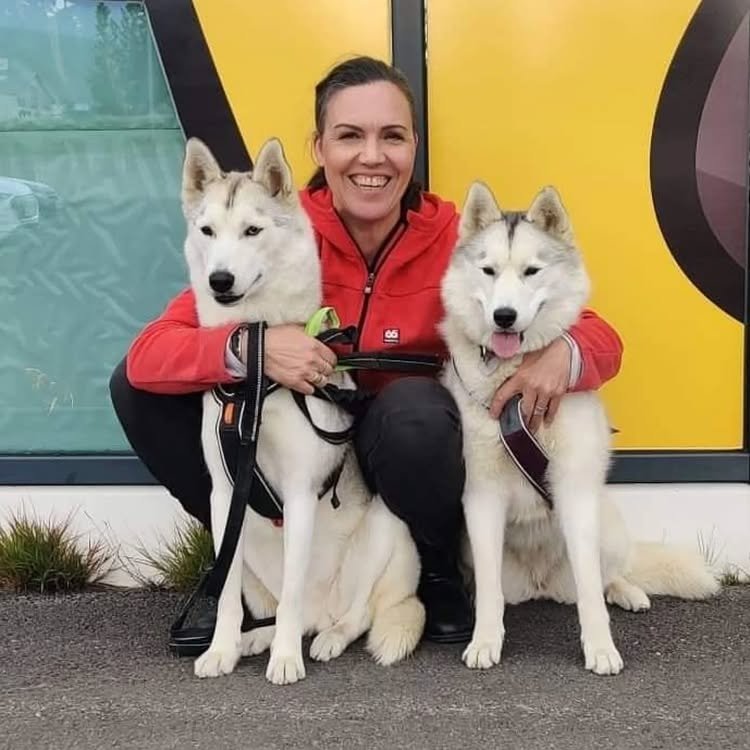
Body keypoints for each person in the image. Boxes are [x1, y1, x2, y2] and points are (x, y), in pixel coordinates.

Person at [109, 56, 623, 645]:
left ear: (414, 147)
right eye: (350, 136)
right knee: (139, 394)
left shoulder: (455, 238)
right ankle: (241, 561)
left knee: (415, 412)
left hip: (403, 448)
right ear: (319, 147)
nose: (372, 157)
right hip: (304, 441)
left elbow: (600, 334)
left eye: (392, 137)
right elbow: (151, 355)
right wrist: (253, 345)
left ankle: (434, 568)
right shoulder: (273, 231)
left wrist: (567, 355)